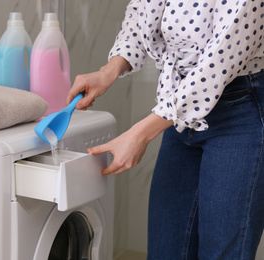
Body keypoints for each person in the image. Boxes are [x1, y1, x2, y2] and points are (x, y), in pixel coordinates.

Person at [66, 0, 264, 259]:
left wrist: (141, 133)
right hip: (178, 113)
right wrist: (109, 70)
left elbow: (217, 65)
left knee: (222, 252)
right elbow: (140, 15)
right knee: (166, 249)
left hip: (238, 112)